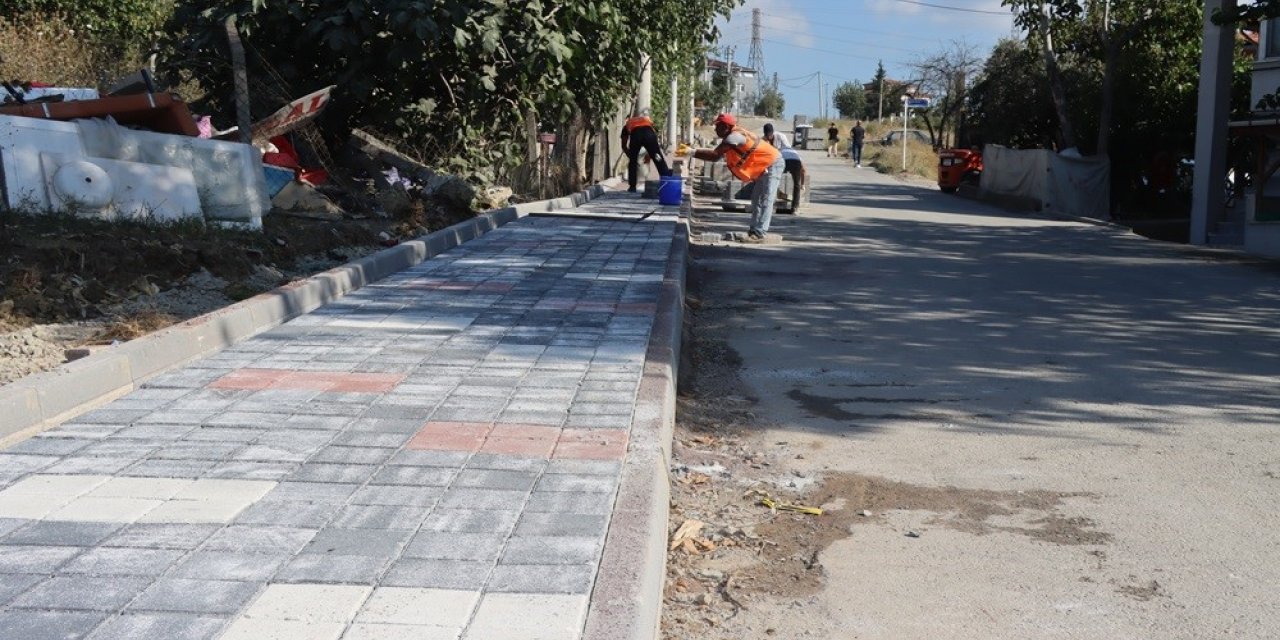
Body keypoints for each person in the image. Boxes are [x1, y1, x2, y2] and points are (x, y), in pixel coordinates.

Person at [693, 113, 784, 241]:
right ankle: (754, 230)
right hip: (762, 166)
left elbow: (714, 155)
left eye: (717, 126)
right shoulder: (733, 135)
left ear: (725, 126)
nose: (715, 129)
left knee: (766, 198)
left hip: (773, 163)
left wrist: (691, 152)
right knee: (756, 198)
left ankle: (759, 232)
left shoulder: (735, 137)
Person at [621, 110, 670, 192]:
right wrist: (651, 154)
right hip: (649, 134)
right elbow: (653, 137)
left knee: (632, 162)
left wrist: (631, 156)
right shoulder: (647, 120)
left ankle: (632, 187)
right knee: (658, 158)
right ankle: (667, 181)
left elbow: (623, 145)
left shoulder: (627, 125)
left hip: (636, 135)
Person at [763, 123, 805, 214]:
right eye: (767, 135)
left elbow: (785, 149)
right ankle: (792, 207)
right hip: (788, 160)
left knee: (775, 180)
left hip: (783, 160)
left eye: (770, 135)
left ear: (773, 132)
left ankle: (791, 207)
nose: (769, 137)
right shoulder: (764, 139)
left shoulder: (781, 137)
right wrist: (802, 184)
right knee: (793, 184)